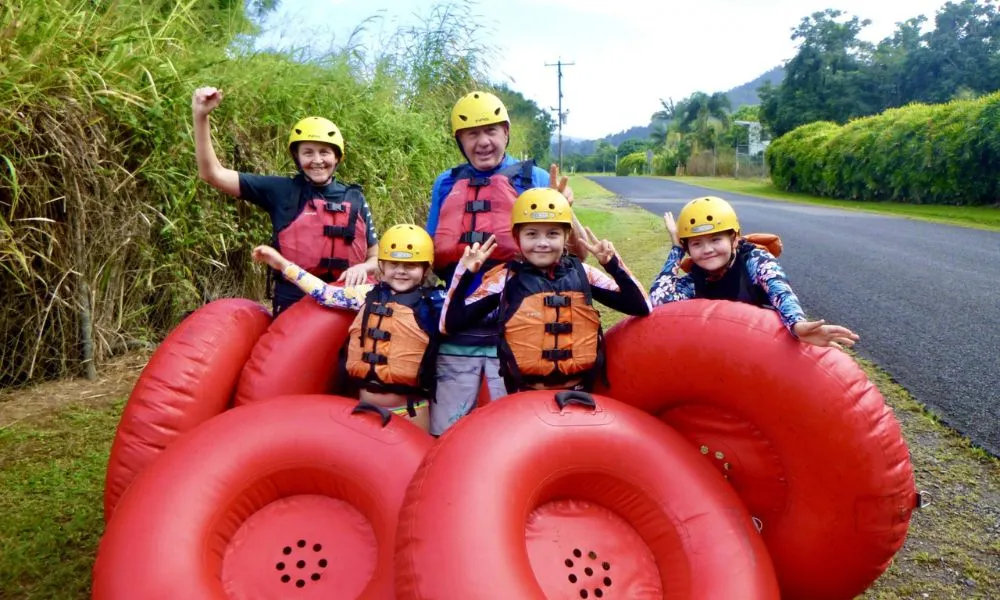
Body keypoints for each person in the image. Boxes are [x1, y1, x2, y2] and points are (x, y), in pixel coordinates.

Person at [425, 90, 589, 435]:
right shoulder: (446, 183)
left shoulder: (536, 179)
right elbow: (429, 251)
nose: (483, 142)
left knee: (514, 429)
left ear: (506, 133)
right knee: (449, 428)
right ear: (460, 141)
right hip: (461, 324)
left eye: (491, 131)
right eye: (472, 134)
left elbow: (578, 254)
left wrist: (566, 210)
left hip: (521, 323)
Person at [440, 188, 651, 397]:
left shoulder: (584, 274)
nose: (542, 243)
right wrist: (464, 273)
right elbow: (450, 323)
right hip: (525, 395)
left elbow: (641, 306)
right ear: (517, 238)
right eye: (532, 234)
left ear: (566, 236)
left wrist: (613, 265)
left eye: (553, 234)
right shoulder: (504, 279)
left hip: (579, 392)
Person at [192, 86, 379, 317]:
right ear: (297, 157)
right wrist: (201, 116)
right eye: (308, 152)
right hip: (294, 304)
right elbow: (212, 173)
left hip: (346, 301)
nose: (317, 160)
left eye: (325, 152)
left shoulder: (355, 197)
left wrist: (363, 267)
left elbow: (376, 258)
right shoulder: (281, 190)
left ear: (337, 157)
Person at [252, 225, 444, 432]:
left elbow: (462, 312)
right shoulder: (366, 294)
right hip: (366, 409)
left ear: (425, 269)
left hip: (410, 412)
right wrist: (282, 264)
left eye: (411, 265)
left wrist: (466, 272)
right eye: (393, 264)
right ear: (382, 265)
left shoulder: (434, 303)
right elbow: (325, 294)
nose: (401, 271)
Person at [649, 196, 859, 349]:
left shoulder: (756, 261)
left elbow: (779, 290)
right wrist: (676, 249)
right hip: (718, 350)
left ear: (734, 239)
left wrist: (797, 324)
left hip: (762, 347)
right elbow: (658, 300)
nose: (707, 250)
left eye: (716, 239)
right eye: (696, 244)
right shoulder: (695, 280)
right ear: (688, 249)